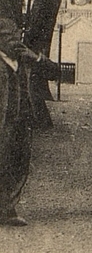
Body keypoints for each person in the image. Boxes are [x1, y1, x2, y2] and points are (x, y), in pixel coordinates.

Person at [0, 18, 60, 227]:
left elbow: (56, 72)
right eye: (7, 36)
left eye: (16, 35)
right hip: (2, 121)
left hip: (20, 122)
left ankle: (8, 208)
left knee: (18, 164)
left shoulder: (24, 59)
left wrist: (36, 59)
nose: (14, 40)